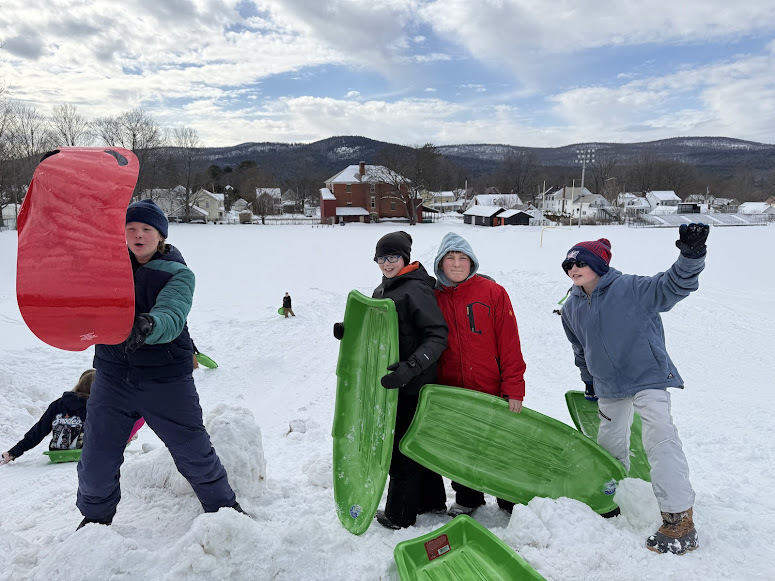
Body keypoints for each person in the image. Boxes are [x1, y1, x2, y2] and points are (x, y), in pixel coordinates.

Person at [76, 199, 243, 530]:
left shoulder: (178, 273)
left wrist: (149, 325)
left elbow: (173, 312)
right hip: (112, 377)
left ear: (160, 235)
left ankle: (225, 511)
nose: (138, 235)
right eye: (131, 229)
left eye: (146, 230)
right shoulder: (106, 270)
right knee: (95, 460)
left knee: (194, 453)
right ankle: (94, 520)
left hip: (166, 380)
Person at [560, 225, 709, 555]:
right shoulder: (571, 308)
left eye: (580, 263)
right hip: (609, 386)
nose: (573, 269)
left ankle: (679, 517)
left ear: (599, 264)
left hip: (646, 376)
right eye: (569, 265)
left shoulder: (630, 287)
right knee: (609, 445)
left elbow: (673, 285)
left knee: (660, 436)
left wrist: (691, 256)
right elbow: (580, 349)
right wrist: (589, 380)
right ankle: (611, 498)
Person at [333, 231, 448, 529]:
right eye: (381, 258)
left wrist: (410, 368)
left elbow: (437, 336)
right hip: (390, 384)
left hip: (414, 385)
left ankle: (400, 515)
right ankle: (432, 501)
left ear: (405, 258)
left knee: (399, 449)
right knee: (415, 444)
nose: (386, 263)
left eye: (392, 257)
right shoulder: (381, 290)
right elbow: (377, 329)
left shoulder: (415, 290)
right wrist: (349, 329)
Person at [433, 232, 527, 517]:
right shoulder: (434, 297)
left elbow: (510, 342)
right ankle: (468, 497)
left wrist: (514, 388)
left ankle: (509, 495)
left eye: (462, 258)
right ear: (440, 263)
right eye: (450, 258)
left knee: (500, 442)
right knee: (461, 443)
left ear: (471, 261)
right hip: (453, 388)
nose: (457, 264)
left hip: (492, 386)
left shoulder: (492, 292)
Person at [1, 369, 95, 464]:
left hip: (58, 453)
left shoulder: (58, 404)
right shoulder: (97, 407)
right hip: (87, 453)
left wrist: (13, 452)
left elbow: (39, 430)